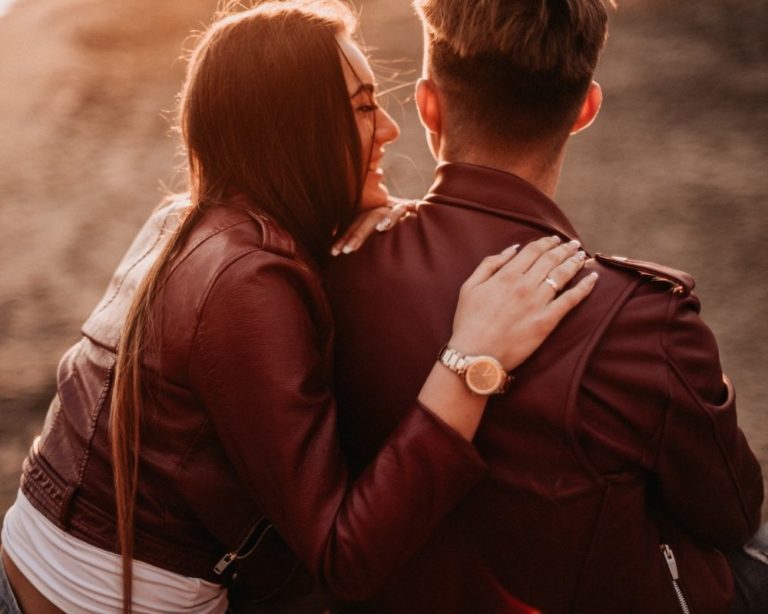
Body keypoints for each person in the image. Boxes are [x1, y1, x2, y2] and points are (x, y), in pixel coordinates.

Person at [0, 2, 598, 613]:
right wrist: (473, 361)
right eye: (365, 107)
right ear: (295, 128)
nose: (389, 130)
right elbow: (345, 557)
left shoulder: (186, 219)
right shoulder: (246, 281)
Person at [328, 0, 767, 612]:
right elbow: (733, 512)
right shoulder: (645, 320)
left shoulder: (335, 265)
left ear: (428, 105)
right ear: (585, 109)